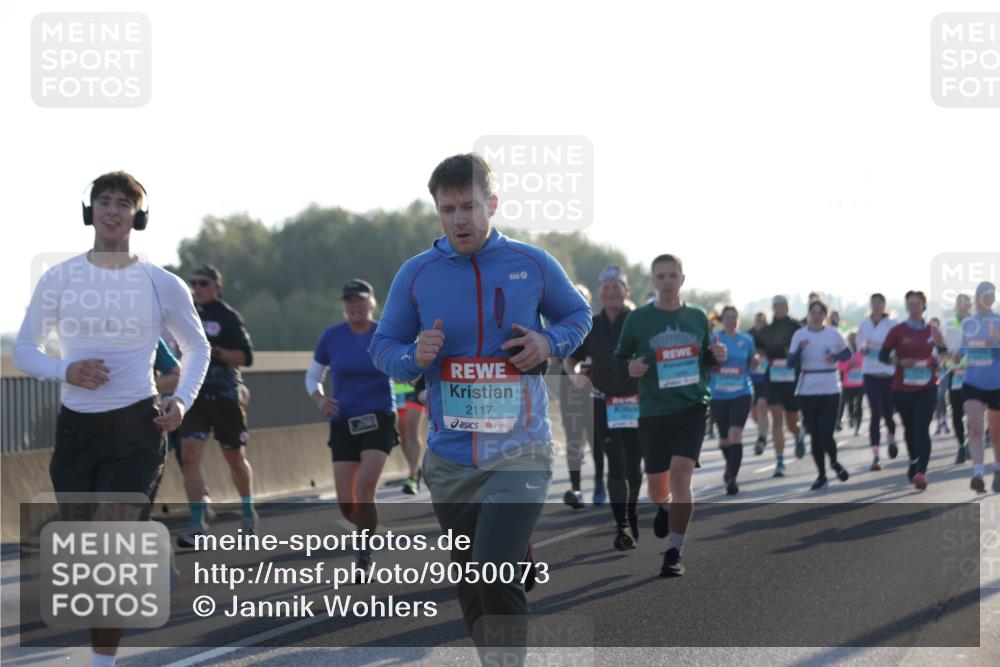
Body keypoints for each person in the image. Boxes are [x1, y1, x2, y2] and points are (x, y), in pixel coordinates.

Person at [369, 153, 591, 660]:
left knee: (494, 570)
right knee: (472, 581)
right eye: (447, 210)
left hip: (522, 449)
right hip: (450, 458)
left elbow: (578, 315)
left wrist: (549, 342)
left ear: (492, 203)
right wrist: (412, 356)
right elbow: (384, 350)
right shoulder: (417, 274)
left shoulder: (532, 263)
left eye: (469, 206)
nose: (459, 220)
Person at [13, 171, 211, 667]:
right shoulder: (59, 278)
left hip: (136, 427)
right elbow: (23, 349)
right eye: (104, 201)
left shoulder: (160, 282)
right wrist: (65, 369)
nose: (113, 210)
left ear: (137, 217)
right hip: (77, 430)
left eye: (125, 203)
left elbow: (196, 346)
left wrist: (181, 400)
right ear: (90, 211)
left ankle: (103, 661)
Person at [616, 254, 726, 577]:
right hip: (652, 410)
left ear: (682, 279)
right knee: (656, 489)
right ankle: (663, 506)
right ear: (653, 281)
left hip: (691, 406)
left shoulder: (697, 316)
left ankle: (675, 550)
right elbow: (622, 358)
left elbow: (705, 358)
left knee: (681, 476)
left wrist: (716, 356)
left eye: (671, 275)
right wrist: (630, 368)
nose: (666, 281)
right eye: (660, 276)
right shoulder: (638, 320)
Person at [306, 278, 399, 571]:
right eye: (349, 302)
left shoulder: (383, 334)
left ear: (371, 303)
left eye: (360, 300)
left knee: (365, 486)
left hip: (379, 418)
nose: (355, 306)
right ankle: (368, 533)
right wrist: (320, 400)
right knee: (347, 503)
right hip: (343, 422)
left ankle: (363, 555)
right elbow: (313, 376)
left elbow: (403, 364)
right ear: (344, 306)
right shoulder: (331, 336)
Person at [177, 265, 256, 546]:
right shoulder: (186, 315)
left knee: (234, 458)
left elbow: (246, 357)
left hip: (224, 396)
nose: (197, 288)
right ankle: (198, 523)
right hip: (193, 395)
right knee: (189, 456)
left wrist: (216, 351)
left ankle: (247, 512)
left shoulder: (229, 317)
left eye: (203, 283)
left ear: (216, 287)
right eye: (193, 283)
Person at [565, 265, 642, 549]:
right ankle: (621, 525)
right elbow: (570, 359)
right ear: (599, 292)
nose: (611, 291)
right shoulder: (591, 325)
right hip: (603, 401)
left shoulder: (638, 321)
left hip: (636, 404)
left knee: (635, 469)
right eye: (606, 287)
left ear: (626, 291)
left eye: (616, 286)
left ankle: (631, 512)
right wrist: (575, 377)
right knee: (616, 466)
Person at [878, 291, 945, 490]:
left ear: (923, 306)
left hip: (928, 386)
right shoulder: (897, 331)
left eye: (918, 304)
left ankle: (921, 473)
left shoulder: (933, 331)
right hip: (902, 387)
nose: (914, 307)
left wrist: (939, 363)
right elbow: (883, 356)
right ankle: (913, 460)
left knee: (922, 428)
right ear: (907, 306)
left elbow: (944, 354)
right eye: (911, 304)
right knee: (910, 429)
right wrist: (899, 361)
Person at [789, 299, 852, 489]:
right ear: (808, 315)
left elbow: (848, 354)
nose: (816, 317)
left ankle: (833, 462)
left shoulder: (833, 334)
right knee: (815, 436)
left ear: (825, 316)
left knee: (826, 433)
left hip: (830, 388)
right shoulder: (799, 334)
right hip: (808, 388)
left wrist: (836, 356)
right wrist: (800, 350)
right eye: (813, 313)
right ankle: (821, 474)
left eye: (820, 313)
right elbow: (790, 363)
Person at [558, 284, 604, 508]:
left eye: (583, 299)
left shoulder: (598, 327)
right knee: (574, 439)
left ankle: (599, 485)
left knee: (597, 438)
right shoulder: (563, 327)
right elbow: (554, 358)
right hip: (571, 390)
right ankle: (576, 488)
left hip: (597, 391)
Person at [753, 295, 805, 476]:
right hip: (773, 379)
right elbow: (758, 350)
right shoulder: (766, 330)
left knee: (792, 423)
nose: (780, 308)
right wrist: (759, 357)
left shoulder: (796, 328)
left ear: (787, 307)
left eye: (783, 305)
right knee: (777, 419)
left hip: (792, 380)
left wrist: (794, 353)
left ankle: (798, 436)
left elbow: (805, 349)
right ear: (773, 308)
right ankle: (780, 462)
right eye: (776, 306)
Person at [709, 306, 757, 495]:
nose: (730, 320)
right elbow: (706, 361)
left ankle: (732, 478)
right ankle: (730, 464)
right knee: (724, 440)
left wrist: (756, 361)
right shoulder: (714, 338)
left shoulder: (746, 339)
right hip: (719, 395)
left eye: (733, 317)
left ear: (738, 318)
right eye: (727, 317)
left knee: (735, 434)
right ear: (722, 320)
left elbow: (752, 359)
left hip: (741, 393)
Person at [958, 281, 1000, 493]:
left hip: (996, 384)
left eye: (991, 295)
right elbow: (961, 353)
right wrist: (951, 356)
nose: (987, 299)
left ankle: (998, 469)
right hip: (972, 382)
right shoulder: (968, 323)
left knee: (996, 434)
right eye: (984, 294)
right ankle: (977, 474)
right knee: (975, 428)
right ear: (978, 297)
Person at [858, 293, 899, 470]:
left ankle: (891, 437)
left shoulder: (891, 324)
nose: (876, 306)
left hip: (887, 373)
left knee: (889, 414)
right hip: (870, 373)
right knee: (875, 413)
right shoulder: (864, 324)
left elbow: (897, 346)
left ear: (884, 305)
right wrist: (863, 349)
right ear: (870, 305)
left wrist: (890, 354)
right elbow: (859, 345)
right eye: (873, 303)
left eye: (879, 303)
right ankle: (875, 456)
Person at [943, 293, 973, 463]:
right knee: (956, 413)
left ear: (970, 305)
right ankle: (961, 446)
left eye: (965, 303)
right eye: (959, 303)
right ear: (956, 305)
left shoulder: (977, 323)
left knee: (973, 412)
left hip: (974, 373)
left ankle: (970, 443)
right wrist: (947, 355)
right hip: (955, 374)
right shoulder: (948, 324)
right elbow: (939, 348)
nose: (962, 306)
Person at [396, 375, 427, 495]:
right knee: (403, 435)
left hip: (414, 386)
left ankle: (412, 475)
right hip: (395, 388)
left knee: (411, 430)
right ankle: (415, 468)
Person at [836, 331, 865, 438]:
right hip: (848, 384)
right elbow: (839, 365)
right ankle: (851, 418)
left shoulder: (861, 350)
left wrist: (858, 364)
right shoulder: (845, 351)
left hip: (860, 383)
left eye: (855, 337)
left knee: (859, 404)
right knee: (850, 404)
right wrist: (849, 366)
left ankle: (858, 424)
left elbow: (866, 362)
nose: (853, 340)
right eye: (851, 338)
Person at [749, 311, 770, 454]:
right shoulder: (748, 335)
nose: (760, 323)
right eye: (758, 321)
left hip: (766, 378)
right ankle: (763, 430)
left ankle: (762, 438)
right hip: (751, 378)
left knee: (762, 407)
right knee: (754, 413)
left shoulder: (771, 334)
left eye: (763, 321)